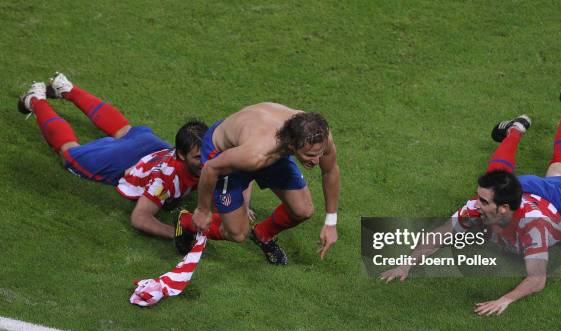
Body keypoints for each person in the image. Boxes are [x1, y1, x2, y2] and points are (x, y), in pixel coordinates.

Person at [380, 80, 561, 316]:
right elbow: (440, 235)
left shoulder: (534, 227)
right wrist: (407, 263)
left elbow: (537, 280)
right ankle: (515, 131)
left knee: (560, 169)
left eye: (483, 202)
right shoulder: (477, 210)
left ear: (504, 209)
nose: (475, 204)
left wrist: (505, 300)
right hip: (521, 192)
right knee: (495, 176)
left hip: (555, 201)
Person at [18, 73, 207, 245]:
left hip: (149, 146)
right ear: (181, 155)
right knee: (70, 155)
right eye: (198, 157)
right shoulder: (166, 180)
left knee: (125, 131)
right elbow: (140, 217)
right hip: (128, 161)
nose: (206, 161)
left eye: (207, 153)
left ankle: (67, 89)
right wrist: (175, 233)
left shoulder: (210, 155)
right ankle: (35, 99)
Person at [176, 103, 341, 264]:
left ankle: (263, 234)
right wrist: (203, 210)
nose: (317, 160)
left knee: (303, 210)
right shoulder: (256, 154)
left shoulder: (318, 136)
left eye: (319, 153)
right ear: (292, 145)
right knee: (238, 233)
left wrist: (331, 223)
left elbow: (330, 171)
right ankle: (186, 221)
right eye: (310, 155)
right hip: (225, 154)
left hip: (258, 146)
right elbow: (210, 169)